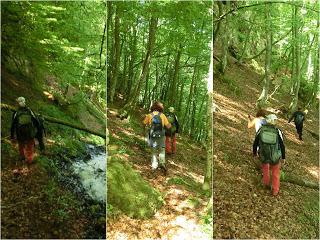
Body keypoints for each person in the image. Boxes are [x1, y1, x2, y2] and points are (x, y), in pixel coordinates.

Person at [253, 114, 285, 196]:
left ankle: (266, 183)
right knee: (275, 173)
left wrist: (254, 154)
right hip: (275, 156)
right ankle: (275, 190)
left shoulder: (261, 129)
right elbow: (282, 145)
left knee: (265, 169)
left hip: (264, 154)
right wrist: (283, 157)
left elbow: (255, 142)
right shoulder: (277, 131)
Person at [143, 101, 171, 173]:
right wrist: (169, 125)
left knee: (154, 151)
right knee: (162, 150)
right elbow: (168, 126)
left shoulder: (149, 115)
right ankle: (162, 163)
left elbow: (144, 123)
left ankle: (154, 165)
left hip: (153, 136)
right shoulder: (163, 115)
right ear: (160, 108)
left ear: (153, 107)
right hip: (161, 136)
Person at [11, 97, 40, 164]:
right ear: (25, 102)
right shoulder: (29, 110)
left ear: (18, 103)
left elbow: (13, 125)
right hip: (29, 132)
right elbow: (36, 121)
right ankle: (29, 160)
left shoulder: (16, 113)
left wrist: (12, 136)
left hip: (20, 133)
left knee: (21, 145)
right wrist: (36, 131)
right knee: (30, 146)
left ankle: (22, 157)